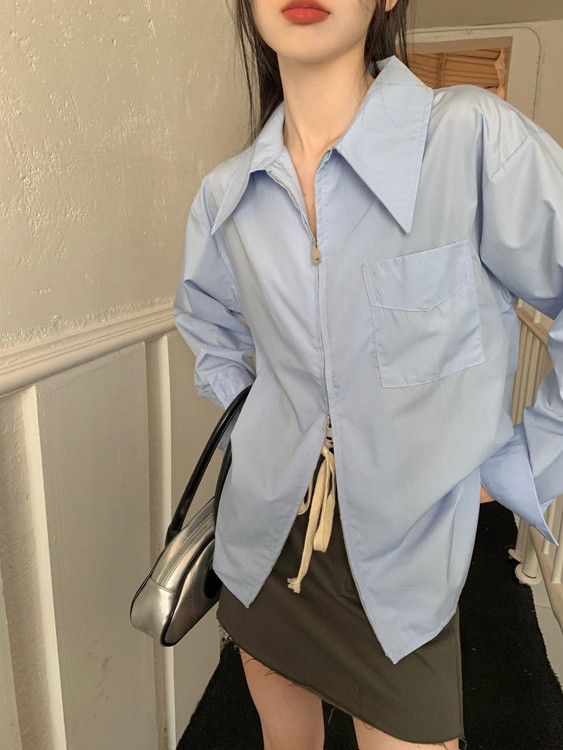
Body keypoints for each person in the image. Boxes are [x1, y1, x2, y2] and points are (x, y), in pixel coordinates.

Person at [174, 1, 563, 748]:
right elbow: (209, 329)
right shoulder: (226, 195)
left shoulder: (468, 139)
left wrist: (520, 462)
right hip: (265, 539)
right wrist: (262, 428)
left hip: (404, 566)